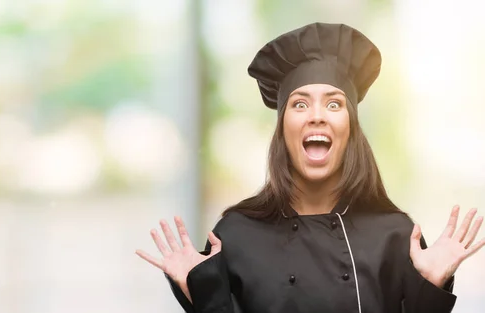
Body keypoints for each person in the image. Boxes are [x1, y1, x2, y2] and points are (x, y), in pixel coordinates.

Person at [135, 22, 485, 313]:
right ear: (283, 127)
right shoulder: (236, 235)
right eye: (300, 104)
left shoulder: (396, 236)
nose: (317, 115)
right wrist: (203, 291)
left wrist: (431, 287)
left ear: (351, 128)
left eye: (334, 104)